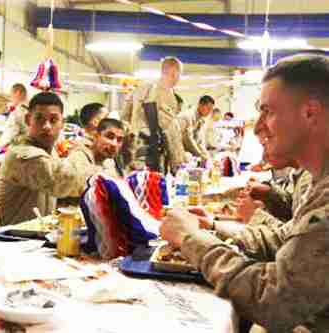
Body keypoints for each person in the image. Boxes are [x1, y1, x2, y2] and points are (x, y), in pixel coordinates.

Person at [160, 54, 329, 332]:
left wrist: (191, 239)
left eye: (268, 111)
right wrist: (212, 228)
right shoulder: (318, 181)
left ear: (310, 113)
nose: (258, 126)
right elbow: (285, 237)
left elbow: (274, 299)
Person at [0, 92, 89, 226]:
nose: (46, 126)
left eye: (53, 120)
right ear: (28, 120)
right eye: (39, 119)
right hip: (11, 242)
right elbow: (63, 182)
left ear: (62, 123)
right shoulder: (22, 155)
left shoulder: (51, 151)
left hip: (34, 239)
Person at [122, 56, 187, 173]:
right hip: (153, 154)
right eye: (179, 74)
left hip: (134, 151)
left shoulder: (139, 89)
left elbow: (124, 118)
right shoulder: (167, 95)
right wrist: (179, 162)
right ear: (173, 72)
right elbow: (170, 132)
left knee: (136, 184)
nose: (179, 78)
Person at [177, 95, 214, 160]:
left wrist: (206, 155)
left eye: (211, 109)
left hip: (190, 152)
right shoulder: (188, 116)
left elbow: (200, 140)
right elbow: (188, 139)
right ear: (200, 105)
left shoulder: (201, 119)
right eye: (208, 108)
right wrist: (200, 154)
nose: (209, 112)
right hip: (180, 151)